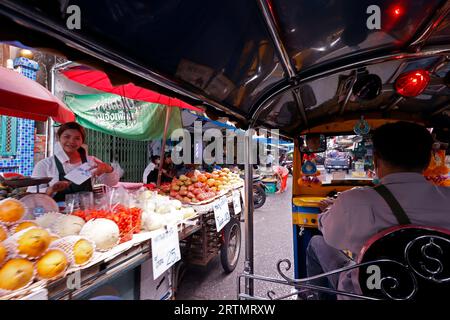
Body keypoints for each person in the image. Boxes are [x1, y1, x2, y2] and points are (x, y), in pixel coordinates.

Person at [305, 121, 450, 299]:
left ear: (375, 160)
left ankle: (311, 295)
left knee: (317, 242)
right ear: (428, 160)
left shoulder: (354, 201)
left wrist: (327, 212)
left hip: (364, 293)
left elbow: (331, 237)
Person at [29, 122, 119, 201]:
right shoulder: (45, 165)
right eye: (67, 137)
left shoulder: (91, 161)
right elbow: (31, 194)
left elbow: (112, 183)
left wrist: (108, 169)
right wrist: (51, 189)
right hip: (56, 215)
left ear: (82, 141)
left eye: (77, 138)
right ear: (58, 138)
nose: (71, 141)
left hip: (86, 212)